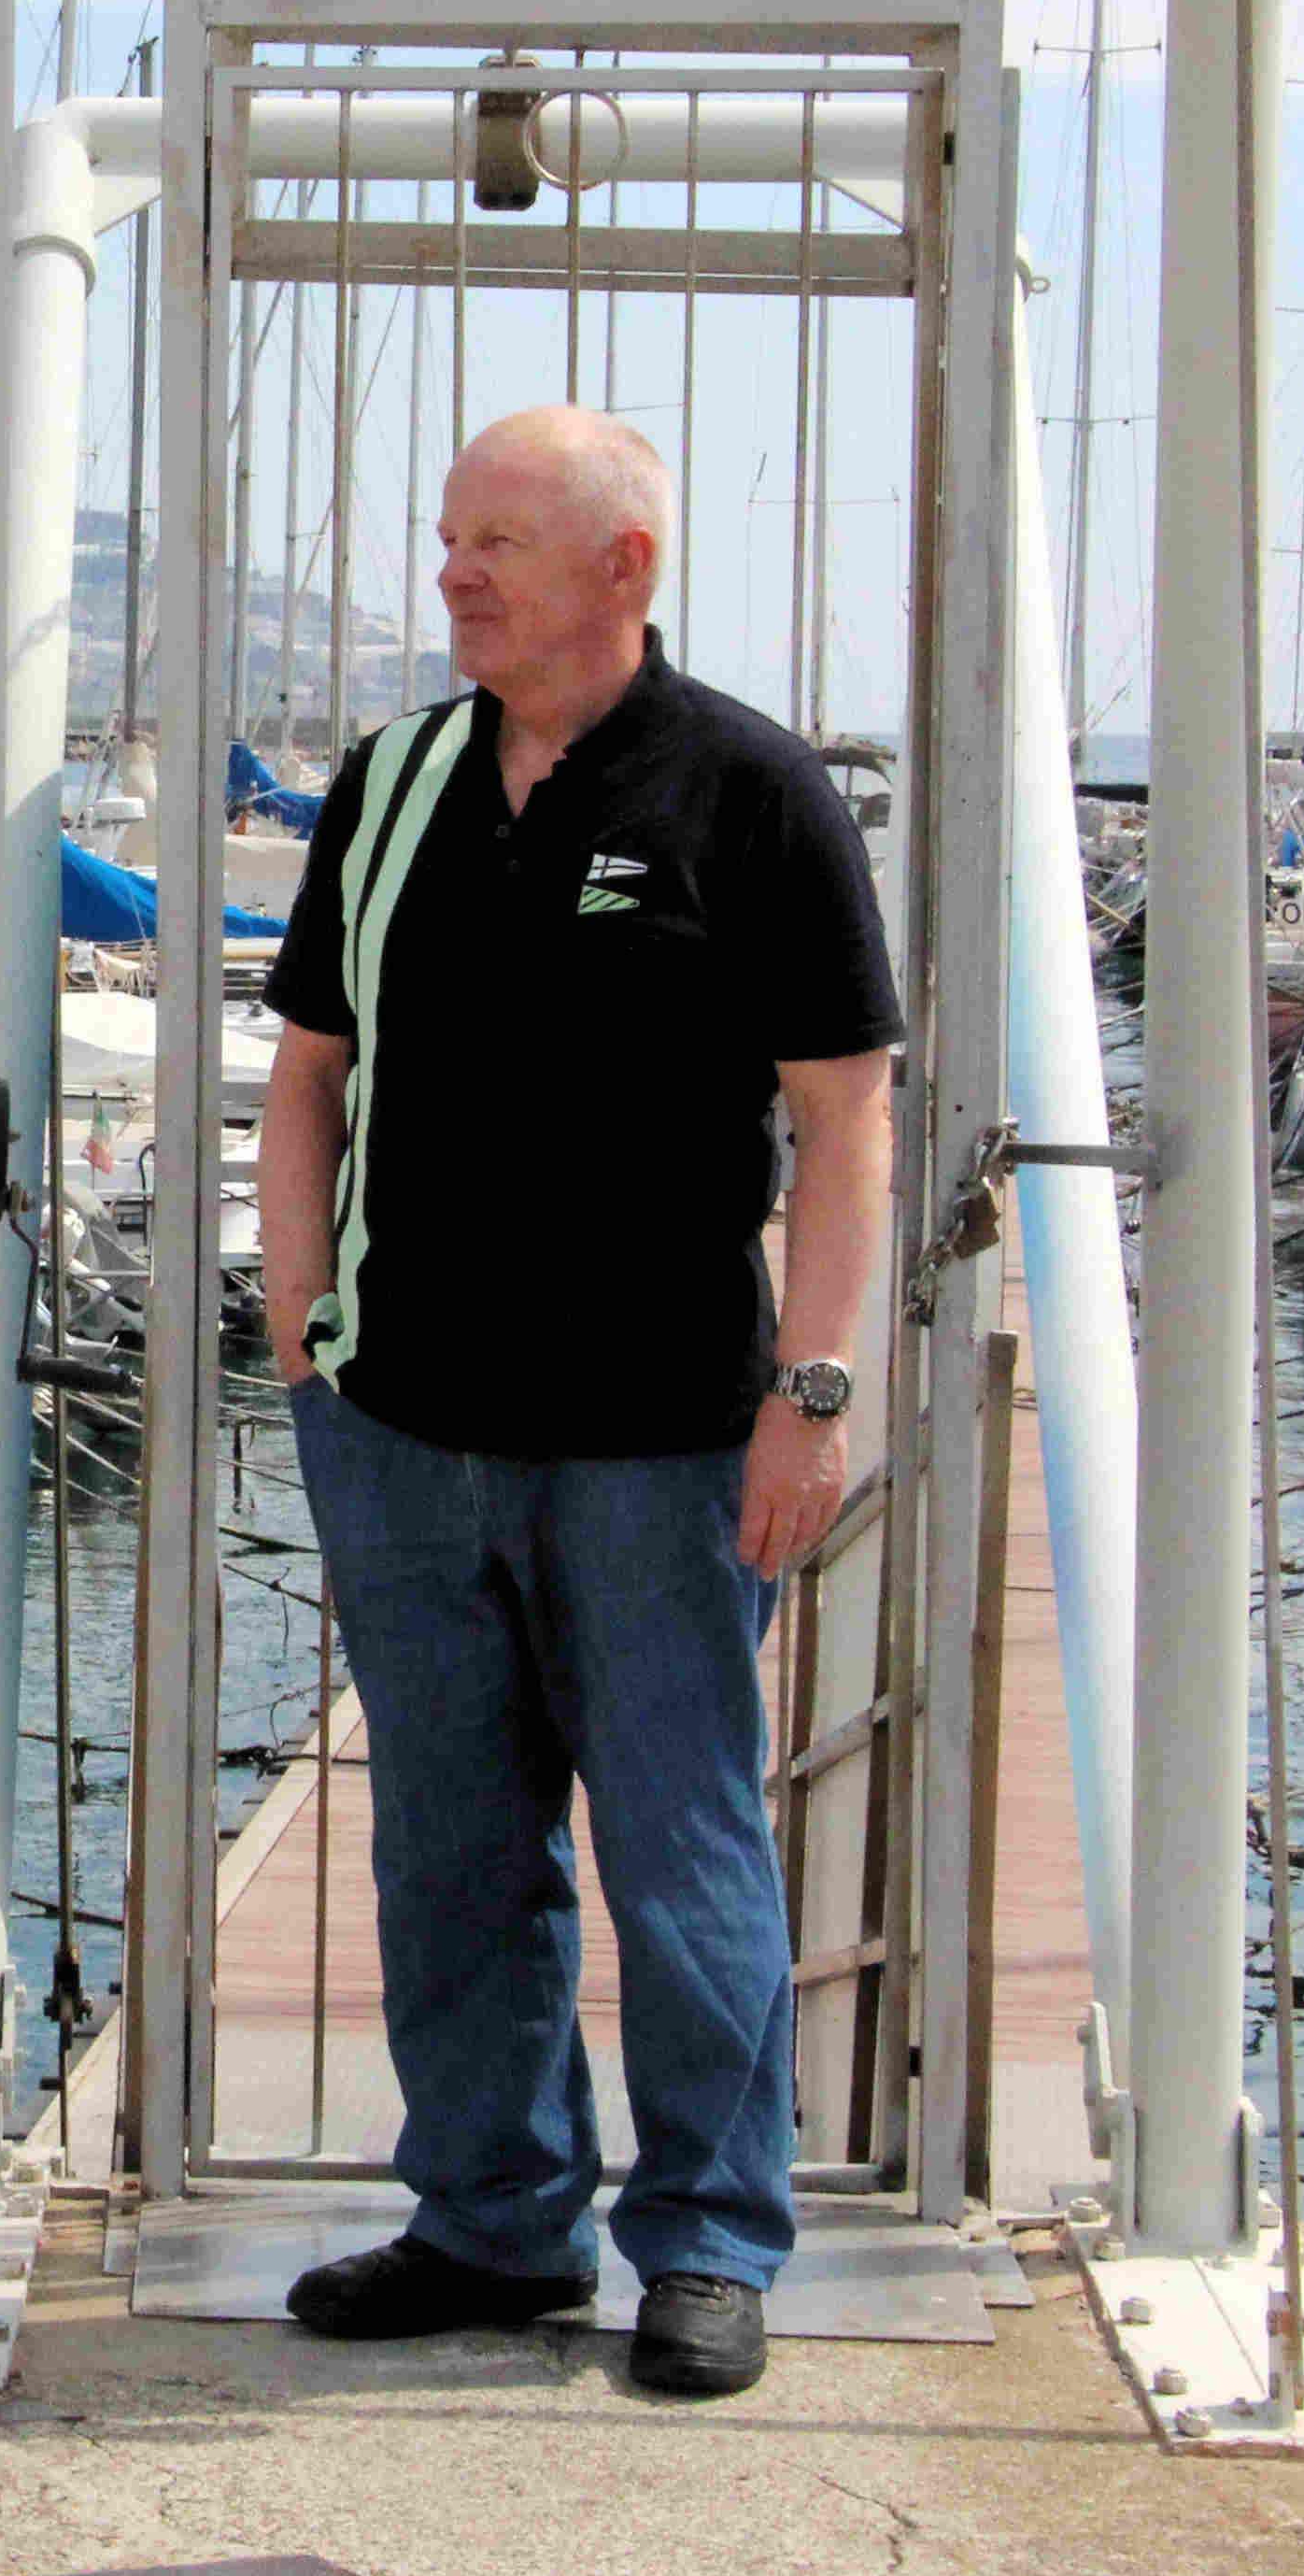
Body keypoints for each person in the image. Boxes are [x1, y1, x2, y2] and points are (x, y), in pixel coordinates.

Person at [249, 404, 900, 2401]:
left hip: (663, 1444)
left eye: (498, 542)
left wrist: (814, 1395)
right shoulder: (392, 783)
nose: (454, 573)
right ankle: (494, 2218)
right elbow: (308, 1070)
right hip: (402, 1428)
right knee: (451, 1850)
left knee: (683, 1850)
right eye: (450, 537)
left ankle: (708, 2243)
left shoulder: (753, 792)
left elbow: (847, 1124)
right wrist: (298, 1317)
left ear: (626, 567)